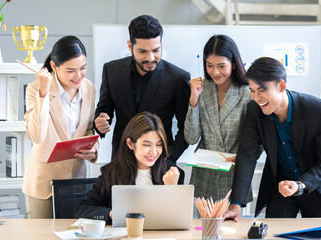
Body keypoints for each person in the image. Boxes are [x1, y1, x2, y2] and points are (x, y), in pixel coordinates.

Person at [223, 57, 321, 221]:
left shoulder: (318, 110)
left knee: (316, 235)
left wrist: (300, 185)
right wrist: (235, 205)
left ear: (281, 86)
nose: (256, 97)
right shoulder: (254, 110)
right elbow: (247, 155)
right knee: (273, 233)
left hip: (316, 185)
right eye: (252, 90)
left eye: (262, 90)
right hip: (280, 186)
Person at [94, 15, 190, 162]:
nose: (151, 58)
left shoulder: (178, 78)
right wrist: (100, 122)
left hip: (159, 164)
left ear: (161, 43)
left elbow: (186, 128)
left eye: (156, 50)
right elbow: (103, 111)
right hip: (121, 162)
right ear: (129, 46)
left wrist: (167, 158)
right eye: (143, 51)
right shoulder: (111, 70)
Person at [22, 36, 98, 219]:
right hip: (43, 184)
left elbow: (87, 128)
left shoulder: (89, 88)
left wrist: (94, 150)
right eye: (71, 70)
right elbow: (37, 136)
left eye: (83, 68)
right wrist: (43, 93)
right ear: (54, 67)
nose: (78, 76)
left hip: (76, 183)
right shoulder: (35, 89)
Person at [74, 112, 184, 223]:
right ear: (130, 143)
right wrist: (112, 214)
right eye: (146, 145)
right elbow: (82, 210)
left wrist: (172, 189)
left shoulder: (172, 173)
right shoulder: (112, 173)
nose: (154, 152)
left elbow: (180, 220)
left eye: (159, 144)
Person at [184, 35, 251, 201]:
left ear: (234, 64)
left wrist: (243, 160)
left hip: (234, 175)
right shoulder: (201, 89)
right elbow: (191, 138)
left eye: (222, 66)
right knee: (204, 227)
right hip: (204, 176)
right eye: (209, 66)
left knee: (233, 227)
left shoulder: (248, 92)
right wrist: (193, 100)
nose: (215, 72)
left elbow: (257, 139)